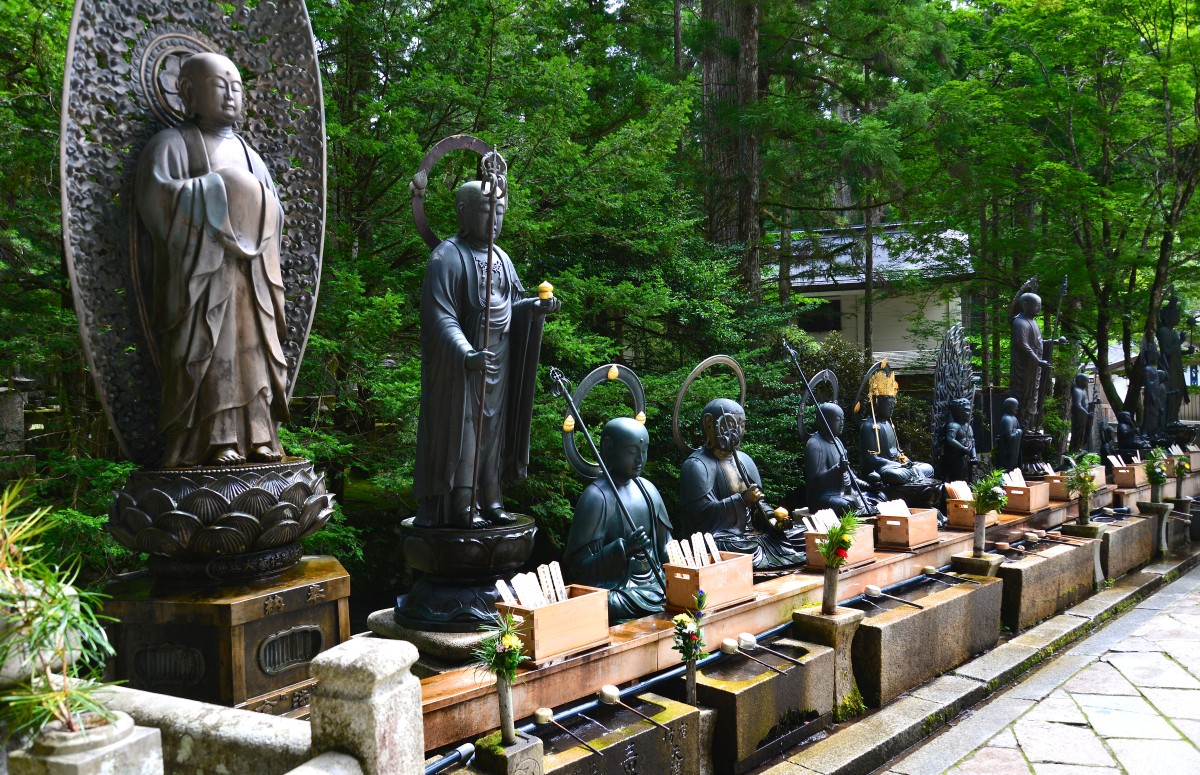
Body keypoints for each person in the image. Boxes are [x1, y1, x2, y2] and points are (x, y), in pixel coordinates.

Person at [135, 53, 288, 467]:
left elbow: (275, 211)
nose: (231, 95)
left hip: (252, 277)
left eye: (237, 87)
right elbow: (156, 202)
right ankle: (215, 440)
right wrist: (217, 192)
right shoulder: (171, 145)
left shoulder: (251, 154)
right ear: (188, 93)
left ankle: (260, 435)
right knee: (211, 350)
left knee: (254, 353)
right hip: (202, 277)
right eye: (220, 85)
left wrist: (252, 202)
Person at [412, 180, 559, 529]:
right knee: (465, 431)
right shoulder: (446, 256)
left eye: (501, 211)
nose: (495, 219)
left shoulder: (503, 259)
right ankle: (462, 504)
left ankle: (491, 499)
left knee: (494, 431)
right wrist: (466, 353)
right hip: (460, 371)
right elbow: (440, 316)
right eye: (486, 210)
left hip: (500, 363)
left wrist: (536, 308)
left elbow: (513, 305)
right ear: (463, 212)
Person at [564, 417, 673, 624]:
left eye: (644, 451)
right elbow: (579, 569)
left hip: (655, 585)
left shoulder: (648, 490)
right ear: (608, 449)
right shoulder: (597, 497)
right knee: (606, 603)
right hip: (620, 590)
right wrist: (623, 548)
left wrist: (677, 565)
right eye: (632, 452)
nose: (640, 459)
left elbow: (666, 547)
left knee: (682, 586)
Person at [679, 399, 805, 570]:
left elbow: (759, 503)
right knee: (732, 549)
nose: (738, 431)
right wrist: (741, 501)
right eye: (731, 424)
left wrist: (772, 518)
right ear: (710, 425)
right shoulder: (697, 465)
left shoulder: (744, 460)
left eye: (742, 425)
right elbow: (700, 517)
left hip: (750, 536)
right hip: (723, 538)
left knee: (800, 534)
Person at [805, 403, 881, 515]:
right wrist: (837, 469)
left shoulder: (838, 442)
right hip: (825, 497)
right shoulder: (814, 445)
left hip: (846, 493)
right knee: (848, 505)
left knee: (879, 496)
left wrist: (869, 486)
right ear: (824, 421)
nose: (841, 423)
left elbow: (850, 477)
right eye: (837, 419)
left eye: (842, 419)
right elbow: (815, 483)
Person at [1009, 293, 1064, 430]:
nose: (1039, 308)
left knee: (1034, 397)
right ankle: (1022, 427)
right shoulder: (1019, 322)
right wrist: (1038, 361)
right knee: (1024, 396)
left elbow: (1038, 343)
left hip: (1034, 367)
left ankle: (1031, 426)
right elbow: (1022, 345)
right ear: (1025, 305)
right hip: (1025, 368)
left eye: (1040, 305)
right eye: (1036, 305)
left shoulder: (1033, 323)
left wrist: (1053, 342)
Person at [939, 397, 977, 481]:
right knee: (957, 478)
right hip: (956, 458)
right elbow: (950, 439)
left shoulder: (968, 426)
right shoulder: (953, 425)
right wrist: (963, 448)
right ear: (958, 412)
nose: (969, 413)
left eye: (970, 410)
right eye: (967, 410)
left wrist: (973, 456)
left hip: (967, 457)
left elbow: (972, 441)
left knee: (968, 478)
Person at [1069, 374, 1096, 453]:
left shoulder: (1083, 391)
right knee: (1077, 434)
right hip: (1079, 417)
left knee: (1083, 435)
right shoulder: (1077, 390)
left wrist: (1093, 403)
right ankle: (1074, 450)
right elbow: (1077, 405)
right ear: (1080, 381)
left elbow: (1085, 403)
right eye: (1086, 381)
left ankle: (1079, 449)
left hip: (1083, 416)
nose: (1087, 383)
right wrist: (1087, 414)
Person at [995, 397, 1023, 472]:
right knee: (1007, 468)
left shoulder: (1014, 418)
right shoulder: (1007, 419)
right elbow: (1009, 437)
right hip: (1007, 450)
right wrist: (1020, 431)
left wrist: (1022, 428)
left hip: (1013, 450)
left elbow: (1016, 430)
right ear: (1009, 407)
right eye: (1015, 406)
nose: (1017, 408)